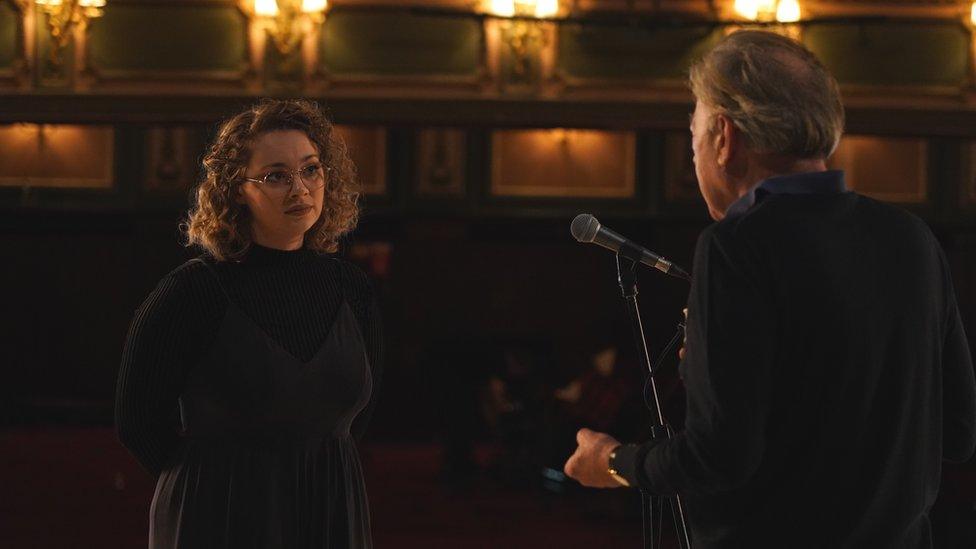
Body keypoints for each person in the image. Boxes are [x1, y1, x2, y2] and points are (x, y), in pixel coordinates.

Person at [563, 30, 976, 547]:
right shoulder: (912, 239)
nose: (694, 162)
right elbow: (959, 432)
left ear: (724, 138)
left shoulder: (736, 247)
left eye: (693, 139)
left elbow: (720, 455)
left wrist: (614, 462)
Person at [115, 99, 382, 548]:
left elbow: (357, 413)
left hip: (330, 503)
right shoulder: (193, 290)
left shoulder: (352, 288)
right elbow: (137, 420)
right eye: (276, 176)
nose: (300, 188)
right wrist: (208, 479)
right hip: (219, 510)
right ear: (238, 189)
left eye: (311, 170)